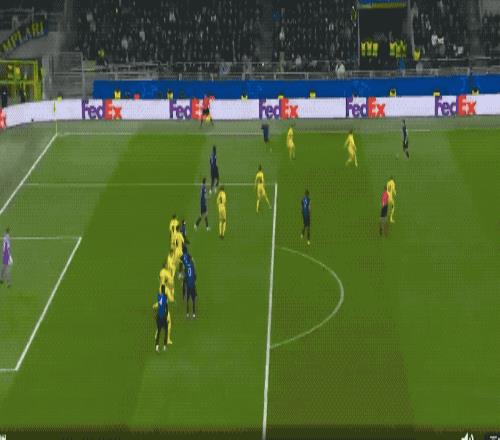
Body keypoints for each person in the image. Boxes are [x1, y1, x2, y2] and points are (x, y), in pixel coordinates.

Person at [152, 285, 172, 352]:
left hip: (158, 317)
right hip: (163, 317)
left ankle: (157, 347)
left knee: (159, 332)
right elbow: (166, 308)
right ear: (164, 290)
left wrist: (155, 315)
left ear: (161, 290)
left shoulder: (158, 296)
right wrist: (166, 317)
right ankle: (164, 347)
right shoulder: (165, 297)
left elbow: (158, 303)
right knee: (166, 331)